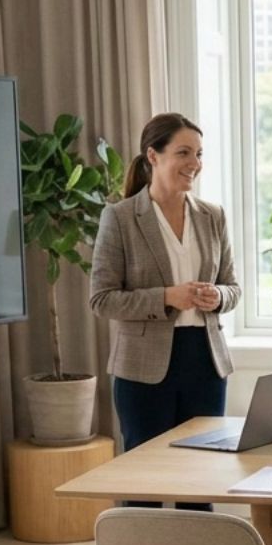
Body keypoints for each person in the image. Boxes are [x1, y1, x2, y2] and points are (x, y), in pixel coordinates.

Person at [91, 113, 239, 511]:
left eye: (199, 154)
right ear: (153, 156)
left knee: (200, 479)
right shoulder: (120, 217)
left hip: (205, 363)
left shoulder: (213, 215)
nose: (195, 163)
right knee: (144, 483)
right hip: (143, 369)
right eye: (184, 153)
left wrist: (218, 297)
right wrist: (166, 297)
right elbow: (102, 299)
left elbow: (233, 287)